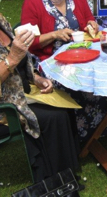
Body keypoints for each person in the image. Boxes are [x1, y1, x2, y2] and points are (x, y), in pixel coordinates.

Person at [21, 0, 107, 144]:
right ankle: (77, 136)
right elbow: (27, 43)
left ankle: (97, 132)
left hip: (82, 54)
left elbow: (90, 18)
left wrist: (91, 24)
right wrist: (54, 35)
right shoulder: (32, 2)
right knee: (80, 85)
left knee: (104, 78)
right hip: (50, 62)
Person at [0, 13, 80, 186]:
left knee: (66, 103)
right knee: (53, 117)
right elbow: (14, 59)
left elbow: (21, 64)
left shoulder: (1, 21)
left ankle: (66, 174)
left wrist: (37, 79)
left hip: (22, 93)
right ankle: (53, 181)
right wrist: (12, 58)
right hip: (6, 107)